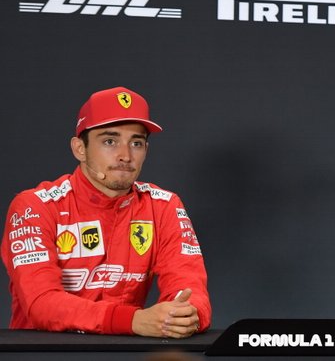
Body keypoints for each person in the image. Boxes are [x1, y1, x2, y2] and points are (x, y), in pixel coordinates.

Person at [1, 87, 211, 337]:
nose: (125, 156)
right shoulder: (34, 206)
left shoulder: (164, 206)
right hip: (44, 354)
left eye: (136, 143)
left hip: (120, 352)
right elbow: (41, 303)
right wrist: (133, 320)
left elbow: (189, 286)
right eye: (109, 141)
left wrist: (187, 315)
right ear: (80, 148)